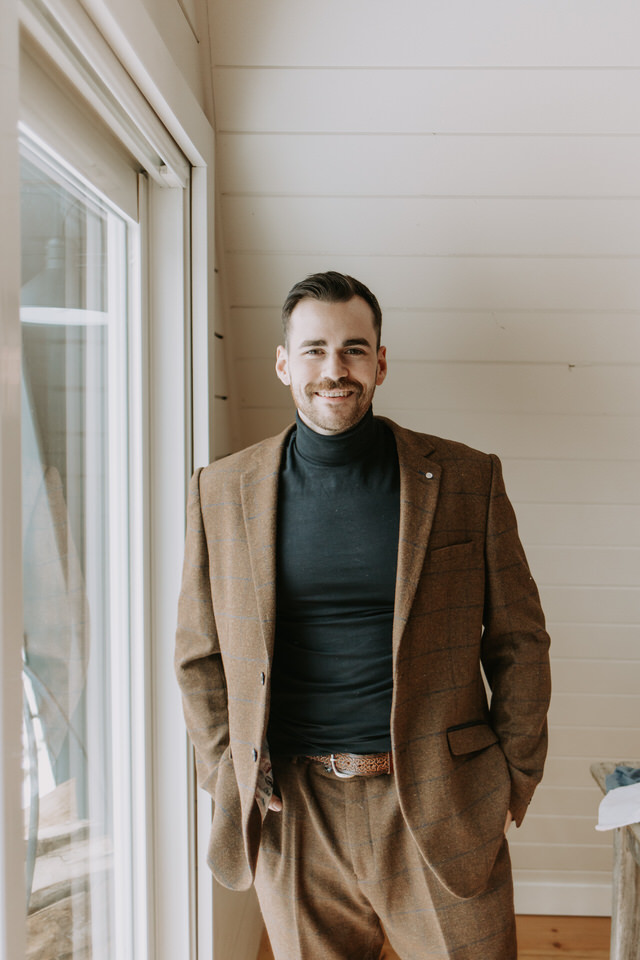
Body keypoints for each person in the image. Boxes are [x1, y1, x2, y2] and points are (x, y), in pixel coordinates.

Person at [175, 271, 551, 960]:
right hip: (295, 812)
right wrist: (228, 768)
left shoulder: (468, 479)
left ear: (380, 362)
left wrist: (512, 774)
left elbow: (520, 641)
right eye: (314, 349)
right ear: (285, 362)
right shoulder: (221, 492)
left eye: (353, 349)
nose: (334, 369)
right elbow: (198, 655)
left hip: (438, 802)